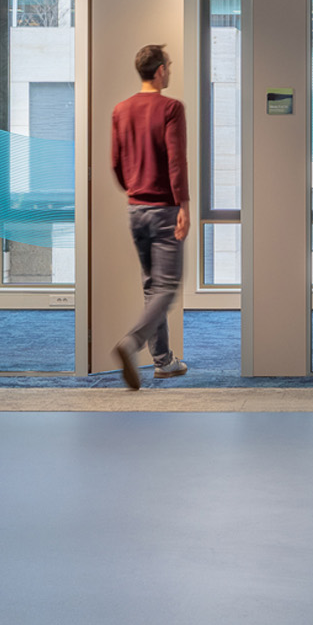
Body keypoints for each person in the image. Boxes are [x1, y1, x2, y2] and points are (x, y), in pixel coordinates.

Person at [109, 43, 189, 389]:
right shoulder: (171, 108)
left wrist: (134, 189)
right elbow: (176, 161)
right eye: (168, 65)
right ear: (159, 71)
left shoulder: (121, 110)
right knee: (167, 287)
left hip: (136, 209)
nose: (169, 70)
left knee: (151, 287)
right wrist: (184, 205)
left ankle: (163, 362)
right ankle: (132, 343)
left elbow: (115, 163)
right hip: (164, 209)